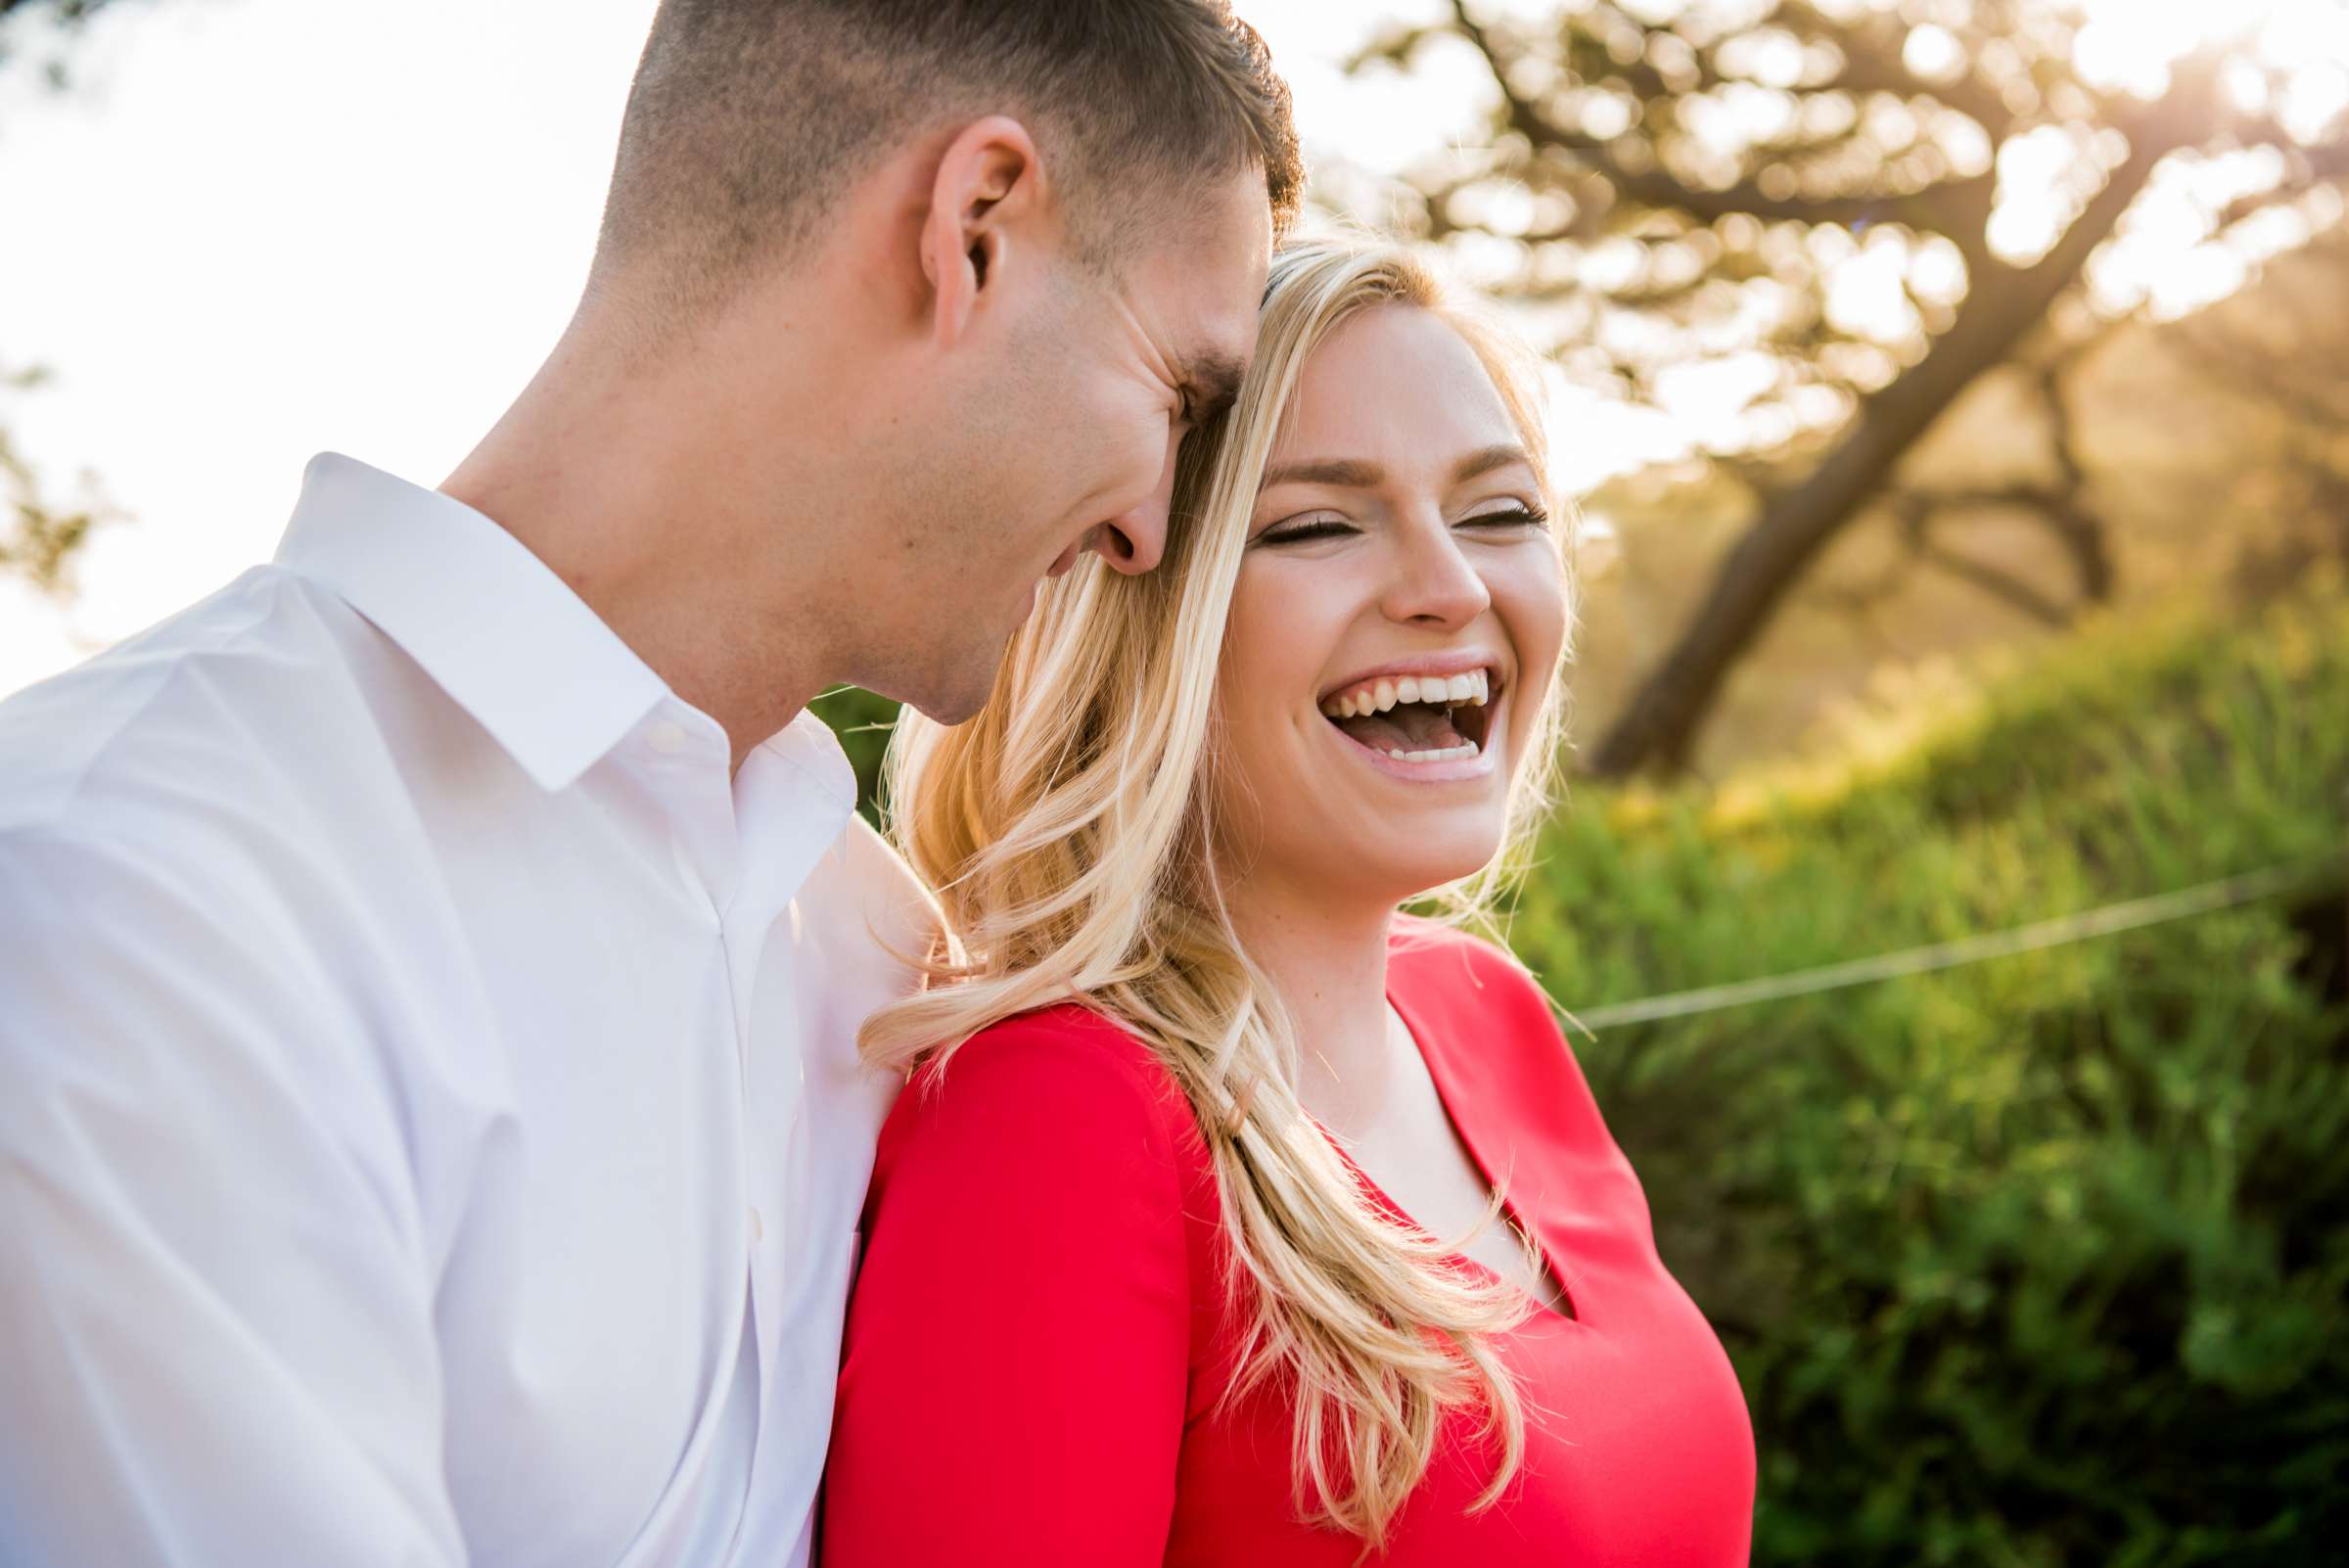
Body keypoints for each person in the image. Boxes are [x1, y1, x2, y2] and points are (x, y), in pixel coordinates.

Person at [0, 5, 1299, 1565]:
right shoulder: (126, 888)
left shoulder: (872, 947)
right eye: (1177, 394)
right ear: (974, 230)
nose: (1153, 530)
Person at [821, 241, 1756, 1565]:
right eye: (1319, 523)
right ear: (1128, 621)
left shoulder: (1478, 1009)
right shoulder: (1059, 1117)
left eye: (1502, 513)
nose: (1452, 585)